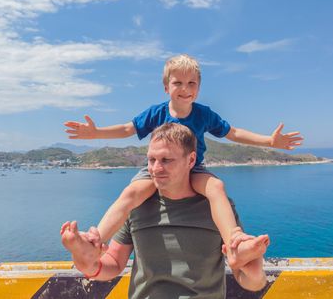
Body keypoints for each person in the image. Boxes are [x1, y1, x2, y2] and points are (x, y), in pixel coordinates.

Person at [64, 54, 303, 251]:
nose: (185, 89)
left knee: (216, 188)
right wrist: (96, 133)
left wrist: (270, 141)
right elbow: (128, 128)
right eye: (178, 83)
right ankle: (96, 238)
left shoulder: (204, 114)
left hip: (193, 169)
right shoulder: (156, 112)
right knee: (131, 192)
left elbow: (234, 133)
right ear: (166, 87)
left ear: (198, 88)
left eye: (192, 83)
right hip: (160, 169)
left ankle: (234, 240)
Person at [61, 123, 270, 298]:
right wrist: (90, 265)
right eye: (151, 160)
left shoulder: (218, 207)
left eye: (166, 160)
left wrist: (254, 273)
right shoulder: (137, 205)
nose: (155, 168)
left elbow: (251, 282)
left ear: (191, 160)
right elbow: (114, 263)